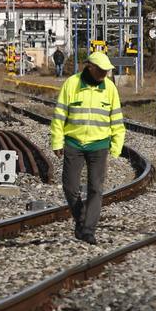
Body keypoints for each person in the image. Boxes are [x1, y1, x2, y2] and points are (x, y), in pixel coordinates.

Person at [50, 50, 125, 244]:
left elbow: (116, 119)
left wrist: (116, 146)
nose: (104, 74)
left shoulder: (110, 89)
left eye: (107, 71)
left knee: (95, 189)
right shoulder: (71, 84)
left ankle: (89, 230)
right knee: (70, 187)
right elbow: (59, 116)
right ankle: (81, 220)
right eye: (101, 70)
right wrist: (57, 141)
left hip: (99, 145)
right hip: (74, 143)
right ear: (90, 67)